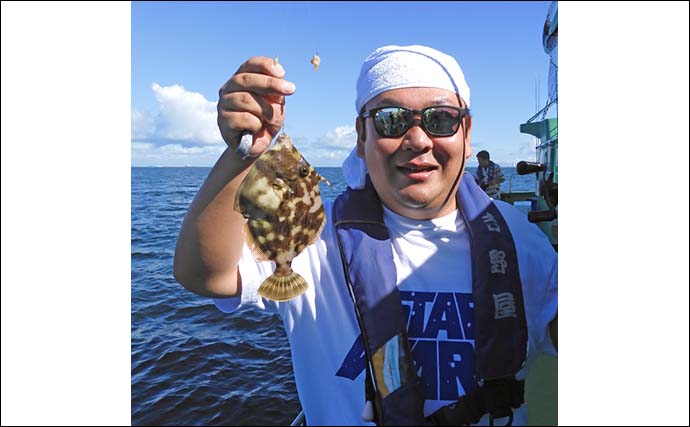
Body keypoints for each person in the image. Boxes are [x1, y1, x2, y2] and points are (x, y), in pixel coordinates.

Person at [174, 45, 557, 426]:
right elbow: (205, 275)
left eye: (441, 119)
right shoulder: (312, 238)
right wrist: (241, 155)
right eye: (392, 120)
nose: (419, 140)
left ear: (466, 133)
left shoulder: (518, 239)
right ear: (362, 136)